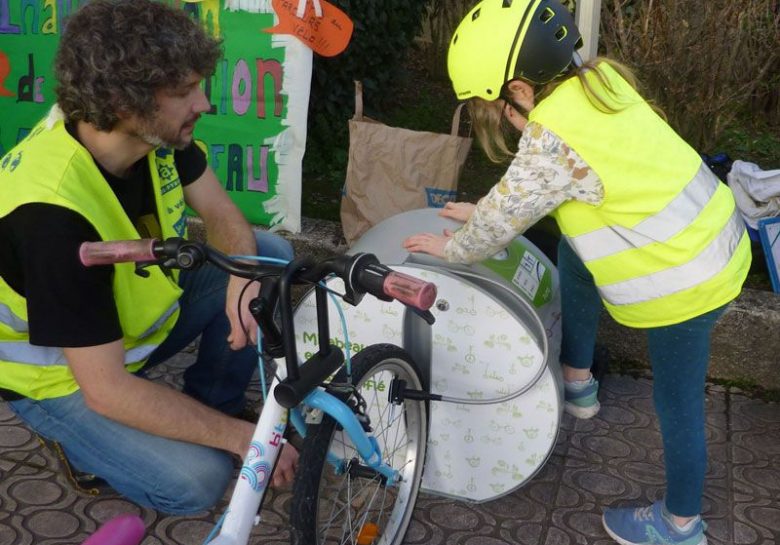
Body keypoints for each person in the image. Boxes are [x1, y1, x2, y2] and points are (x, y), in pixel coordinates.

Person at [403, 1, 751, 544]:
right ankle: (577, 381)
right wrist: (487, 210)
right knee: (574, 250)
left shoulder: (552, 137)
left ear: (517, 89)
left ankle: (681, 524)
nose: (507, 123)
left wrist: (452, 248)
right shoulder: (601, 80)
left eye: (495, 108)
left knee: (678, 401)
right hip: (716, 232)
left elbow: (509, 212)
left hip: (689, 276)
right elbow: (559, 184)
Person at [0, 0, 298, 515]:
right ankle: (79, 443)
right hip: (61, 378)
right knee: (196, 482)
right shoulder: (50, 217)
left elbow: (224, 215)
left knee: (267, 257)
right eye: (183, 92)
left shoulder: (154, 135)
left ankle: (213, 405)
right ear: (122, 102)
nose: (203, 104)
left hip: (126, 332)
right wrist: (247, 440)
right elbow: (107, 389)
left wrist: (244, 278)